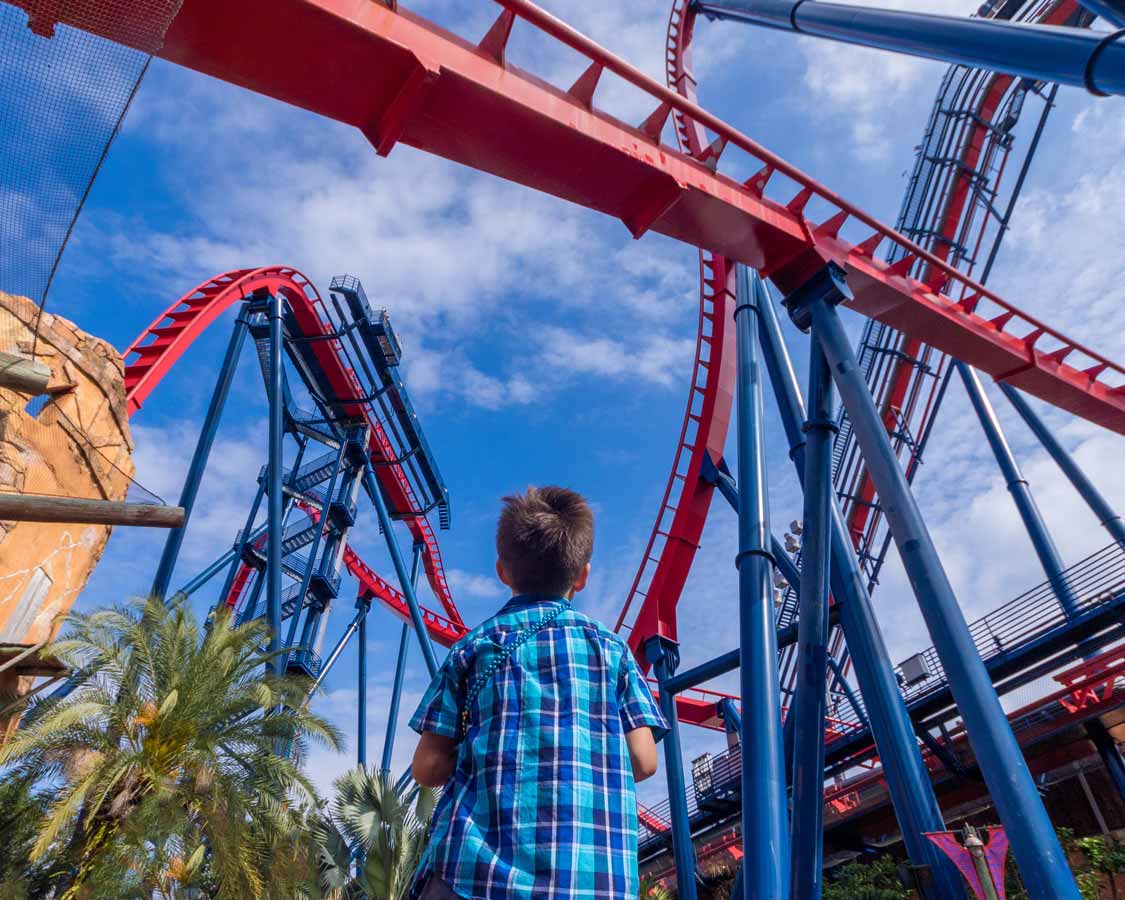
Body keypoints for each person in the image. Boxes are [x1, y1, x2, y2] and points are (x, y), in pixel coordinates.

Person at [409, 486, 668, 900]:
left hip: (475, 878)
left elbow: (426, 767)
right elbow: (644, 760)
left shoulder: (473, 649)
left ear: (502, 571)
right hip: (592, 882)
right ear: (582, 576)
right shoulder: (613, 650)